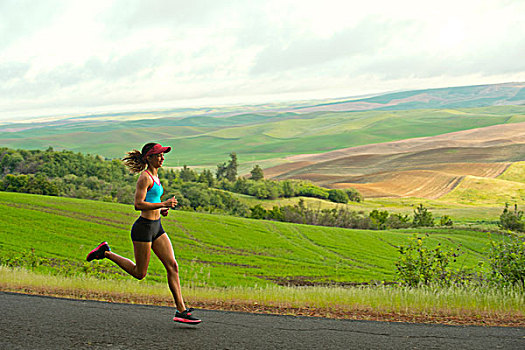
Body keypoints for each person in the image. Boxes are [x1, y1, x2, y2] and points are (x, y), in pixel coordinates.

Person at [86, 142, 201, 324]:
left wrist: (161, 209)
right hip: (144, 228)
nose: (162, 158)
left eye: (163, 155)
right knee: (140, 273)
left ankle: (181, 310)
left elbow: (152, 199)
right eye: (159, 155)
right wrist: (163, 204)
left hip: (157, 227)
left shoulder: (156, 176)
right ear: (149, 157)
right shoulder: (145, 177)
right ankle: (105, 252)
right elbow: (138, 204)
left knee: (173, 266)